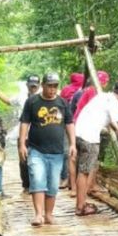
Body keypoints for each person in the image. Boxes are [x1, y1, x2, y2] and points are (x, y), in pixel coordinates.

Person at [19, 72, 76, 226]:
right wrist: (22, 144)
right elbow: (24, 122)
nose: (52, 89)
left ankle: (49, 214)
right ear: (42, 85)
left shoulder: (62, 103)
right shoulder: (32, 102)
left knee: (52, 184)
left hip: (56, 151)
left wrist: (72, 144)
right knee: (37, 179)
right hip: (36, 149)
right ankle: (38, 215)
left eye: (55, 86)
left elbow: (70, 123)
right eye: (49, 86)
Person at [74, 81, 118, 216]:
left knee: (82, 171)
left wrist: (115, 128)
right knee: (84, 172)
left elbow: (110, 119)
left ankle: (81, 203)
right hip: (89, 137)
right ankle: (80, 206)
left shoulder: (103, 96)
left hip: (79, 133)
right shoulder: (116, 104)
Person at [19, 75, 41, 194]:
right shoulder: (20, 97)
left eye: (35, 86)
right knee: (23, 161)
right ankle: (26, 185)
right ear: (27, 85)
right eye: (31, 85)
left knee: (37, 160)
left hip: (37, 135)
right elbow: (7, 101)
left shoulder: (42, 98)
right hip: (24, 134)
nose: (33, 88)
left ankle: (37, 184)